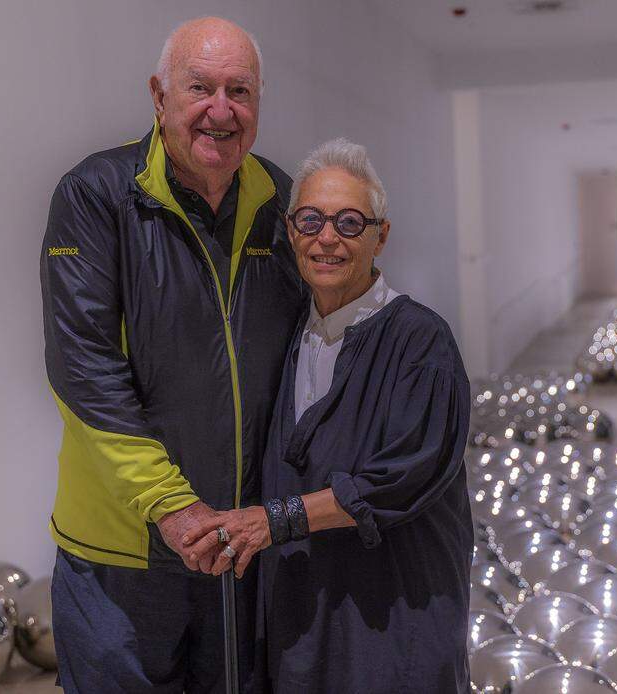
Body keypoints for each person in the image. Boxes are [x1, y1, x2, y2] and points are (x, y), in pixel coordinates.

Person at [40, 17, 305, 693]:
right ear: (159, 97)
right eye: (201, 88)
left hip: (235, 545)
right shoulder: (97, 195)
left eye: (240, 92)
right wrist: (171, 505)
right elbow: (83, 369)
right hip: (124, 556)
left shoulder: (278, 202)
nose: (222, 110)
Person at [183, 138, 473, 692]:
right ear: (291, 231)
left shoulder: (420, 341)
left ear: (380, 236)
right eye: (311, 220)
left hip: (393, 616)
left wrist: (274, 520)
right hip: (306, 614)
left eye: (349, 223)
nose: (327, 239)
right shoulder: (290, 334)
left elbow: (400, 478)